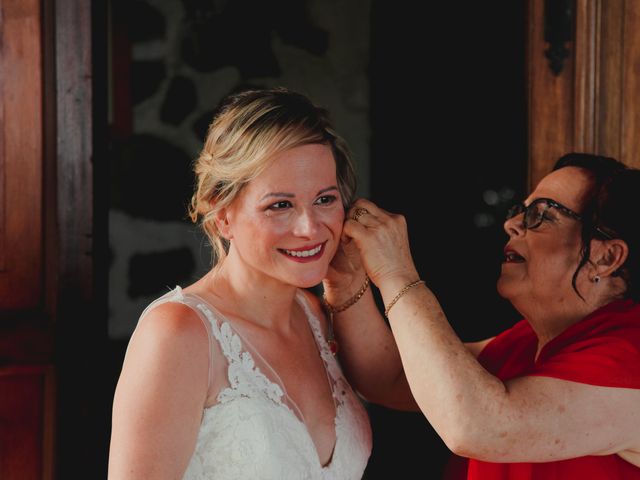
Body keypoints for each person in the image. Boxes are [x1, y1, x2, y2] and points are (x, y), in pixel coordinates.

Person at [108, 87, 372, 480]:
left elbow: (405, 385)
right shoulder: (178, 334)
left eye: (325, 199)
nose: (310, 228)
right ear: (222, 215)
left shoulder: (314, 314)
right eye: (280, 205)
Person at [323, 152, 640, 478]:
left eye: (542, 215)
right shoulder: (528, 341)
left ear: (607, 257)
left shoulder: (632, 354)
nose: (511, 225)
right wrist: (346, 282)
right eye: (521, 211)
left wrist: (396, 273)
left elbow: (474, 425)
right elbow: (388, 377)